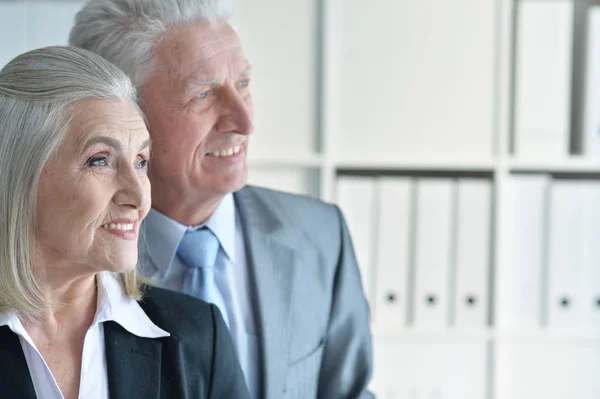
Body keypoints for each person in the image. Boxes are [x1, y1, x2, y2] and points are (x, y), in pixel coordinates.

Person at [70, 1, 374, 398]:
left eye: (243, 84)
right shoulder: (69, 263)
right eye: (203, 94)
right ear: (122, 116)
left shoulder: (320, 234)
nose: (245, 122)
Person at [0, 45, 250, 399]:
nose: (139, 197)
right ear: (16, 175)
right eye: (100, 161)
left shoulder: (197, 336)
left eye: (141, 161)